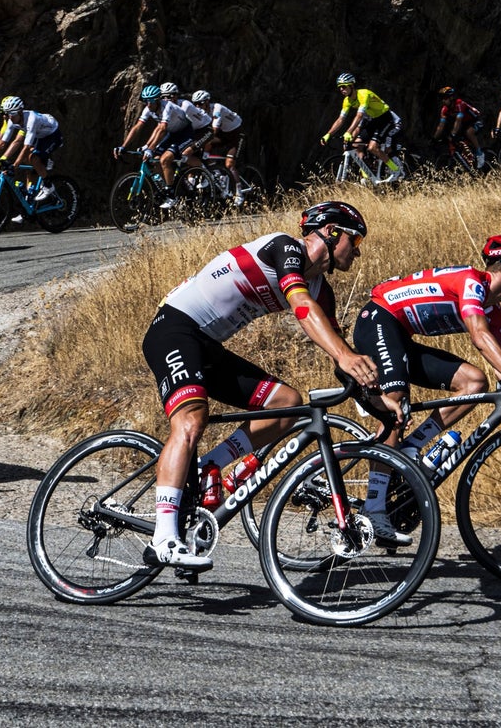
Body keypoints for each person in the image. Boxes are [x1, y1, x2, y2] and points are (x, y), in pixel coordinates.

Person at [138, 200, 379, 570]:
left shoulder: (323, 291)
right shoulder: (285, 248)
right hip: (174, 328)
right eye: (355, 241)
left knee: (286, 403)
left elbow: (339, 353)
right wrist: (345, 356)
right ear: (332, 232)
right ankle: (164, 538)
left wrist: (376, 398)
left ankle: (208, 467)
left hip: (206, 345)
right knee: (191, 421)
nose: (357, 253)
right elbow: (301, 306)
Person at [351, 234, 501, 541]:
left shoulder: (495, 316)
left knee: (475, 382)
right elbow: (478, 335)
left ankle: (409, 447)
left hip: (401, 337)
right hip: (379, 319)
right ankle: (374, 509)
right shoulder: (472, 281)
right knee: (396, 402)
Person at [120, 83, 209, 207]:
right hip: (172, 133)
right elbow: (138, 127)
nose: (148, 104)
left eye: (151, 101)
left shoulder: (167, 106)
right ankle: (171, 184)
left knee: (165, 159)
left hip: (185, 133)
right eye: (146, 101)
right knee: (155, 160)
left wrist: (150, 148)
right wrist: (124, 146)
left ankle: (171, 193)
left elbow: (162, 129)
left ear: (158, 100)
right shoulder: (148, 108)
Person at [322, 74, 403, 181]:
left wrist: (348, 132)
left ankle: (396, 170)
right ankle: (368, 174)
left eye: (344, 86)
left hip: (385, 118)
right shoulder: (347, 101)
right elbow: (340, 119)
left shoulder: (363, 94)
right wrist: (328, 134)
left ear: (351, 86)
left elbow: (359, 116)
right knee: (355, 144)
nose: (342, 89)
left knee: (372, 147)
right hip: (374, 120)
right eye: (340, 87)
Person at [0, 96, 63, 198]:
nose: (9, 117)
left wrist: (14, 166)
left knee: (33, 158)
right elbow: (5, 142)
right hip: (39, 135)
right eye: (7, 114)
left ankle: (48, 185)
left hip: (52, 134)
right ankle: (29, 199)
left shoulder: (32, 119)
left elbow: (26, 147)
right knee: (28, 164)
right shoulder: (12, 120)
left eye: (12, 114)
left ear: (19, 112)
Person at [189, 90, 245, 197]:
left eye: (200, 103)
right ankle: (216, 173)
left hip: (236, 134)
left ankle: (239, 192)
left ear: (207, 102)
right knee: (203, 151)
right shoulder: (201, 113)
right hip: (223, 135)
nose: (197, 106)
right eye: (195, 104)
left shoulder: (217, 108)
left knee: (229, 164)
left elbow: (214, 130)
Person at [431, 86, 486, 170]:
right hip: (465, 124)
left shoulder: (459, 103)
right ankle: (470, 162)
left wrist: (453, 134)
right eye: (442, 98)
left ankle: (480, 154)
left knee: (469, 132)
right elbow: (441, 126)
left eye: (445, 98)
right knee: (459, 141)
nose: (443, 101)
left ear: (451, 98)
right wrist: (434, 138)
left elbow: (458, 121)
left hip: (476, 120)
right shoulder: (444, 110)